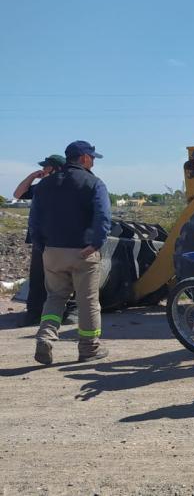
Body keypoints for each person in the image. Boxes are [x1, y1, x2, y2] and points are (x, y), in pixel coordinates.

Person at [30, 141, 112, 364]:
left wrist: (41, 245)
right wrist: (96, 244)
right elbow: (103, 217)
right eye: (92, 158)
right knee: (88, 301)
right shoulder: (94, 183)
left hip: (52, 251)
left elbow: (34, 218)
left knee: (55, 297)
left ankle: (45, 337)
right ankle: (88, 348)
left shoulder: (45, 185)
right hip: (83, 252)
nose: (93, 162)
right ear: (84, 158)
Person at [14, 155, 78, 328]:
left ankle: (58, 313)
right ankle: (37, 314)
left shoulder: (62, 185)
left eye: (46, 167)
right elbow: (18, 194)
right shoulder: (42, 186)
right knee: (42, 278)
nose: (43, 170)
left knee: (64, 277)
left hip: (53, 239)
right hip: (49, 239)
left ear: (55, 168)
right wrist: (32, 177)